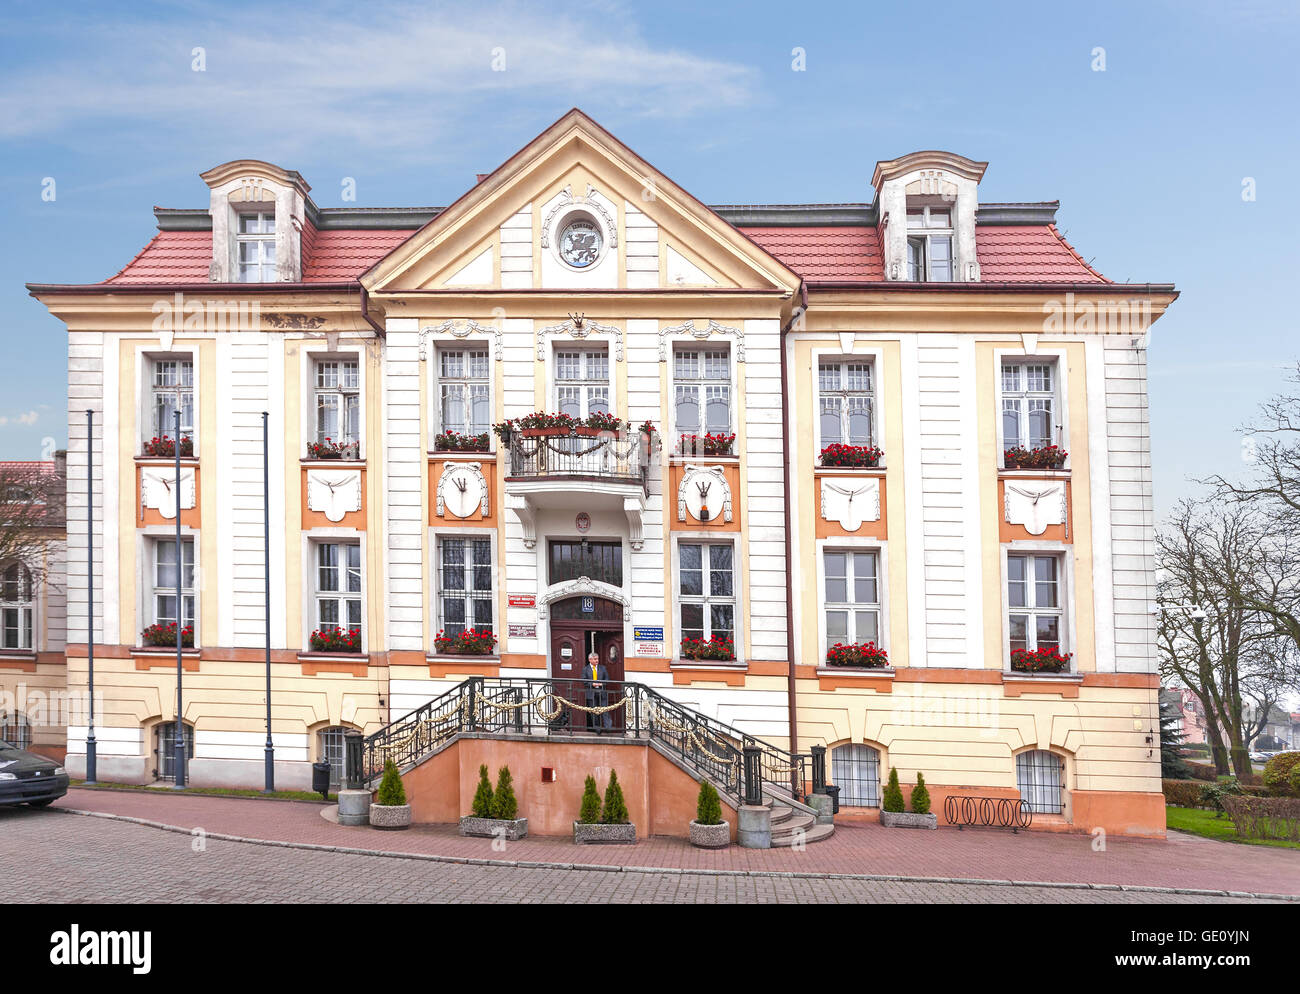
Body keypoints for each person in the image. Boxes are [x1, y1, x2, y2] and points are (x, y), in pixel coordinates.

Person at [582, 651, 611, 731]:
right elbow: (584, 681)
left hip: (601, 691)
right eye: (595, 659)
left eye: (597, 659)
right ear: (590, 660)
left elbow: (607, 679)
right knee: (594, 711)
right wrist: (592, 684)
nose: (597, 660)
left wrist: (602, 683)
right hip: (591, 692)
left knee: (604, 709)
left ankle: (608, 727)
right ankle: (597, 729)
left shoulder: (603, 668)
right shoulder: (585, 669)